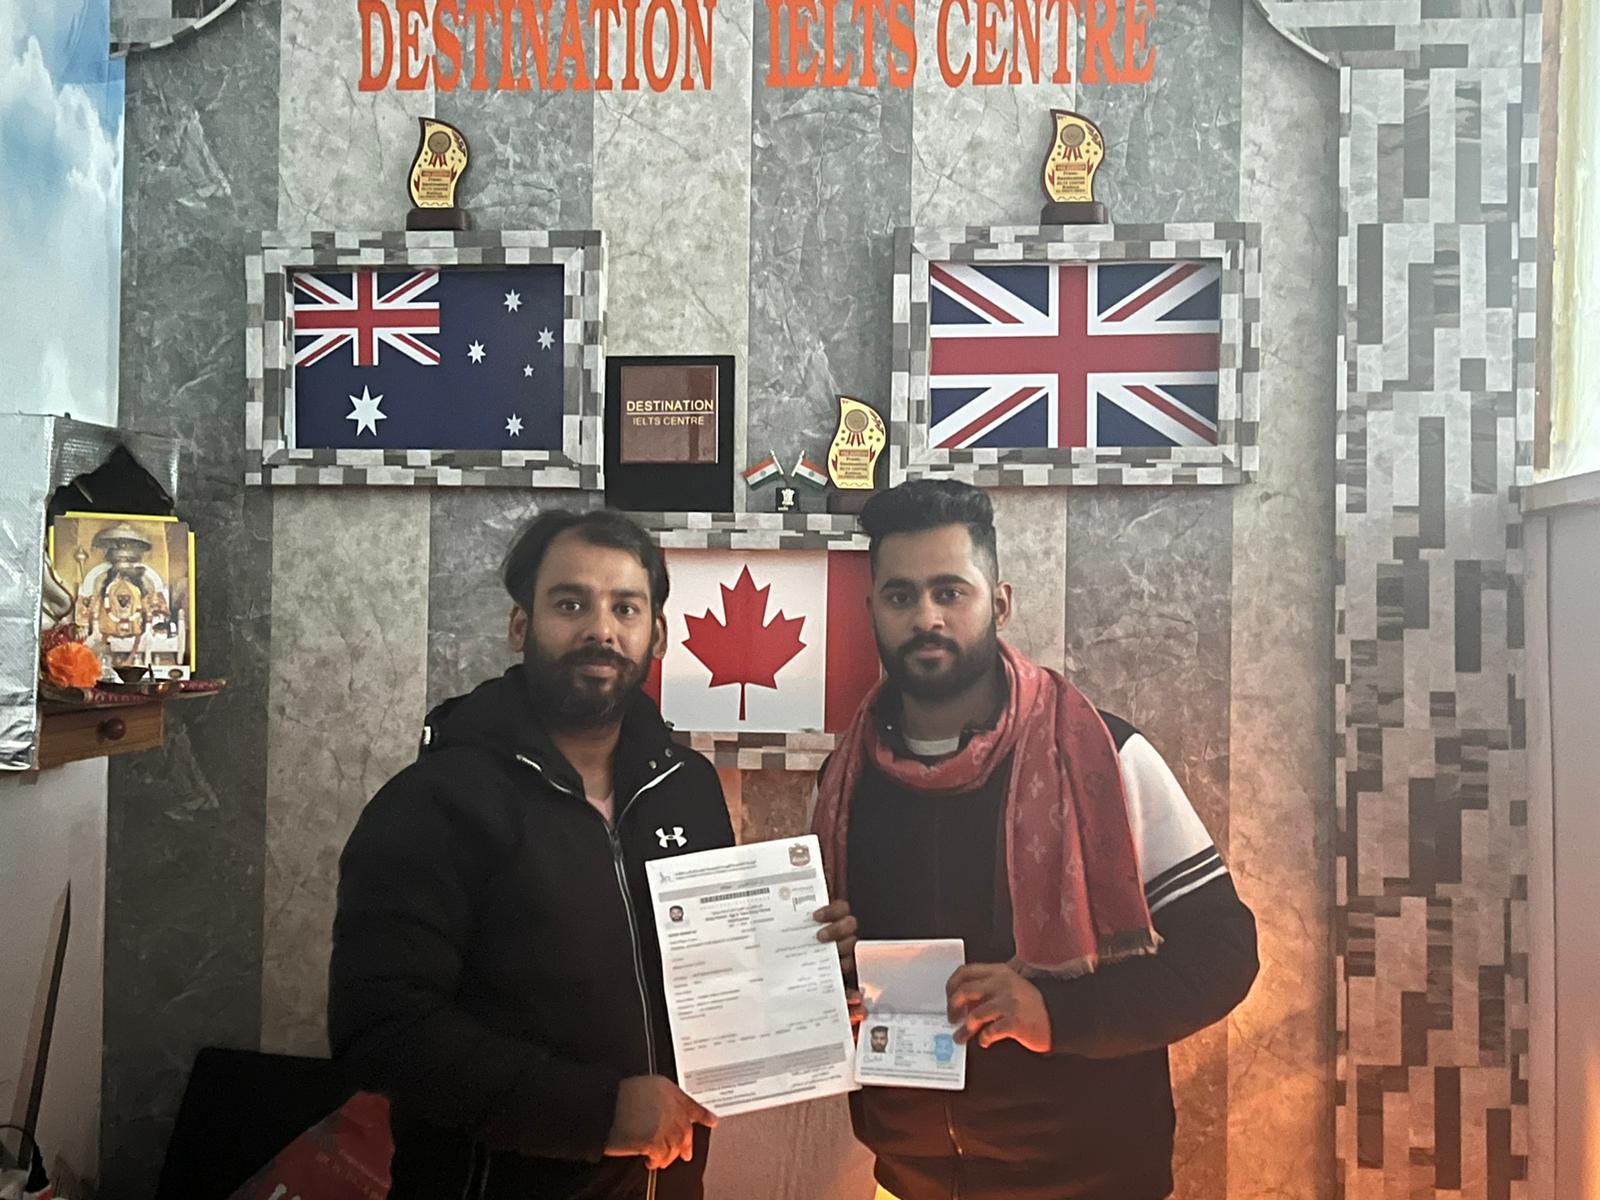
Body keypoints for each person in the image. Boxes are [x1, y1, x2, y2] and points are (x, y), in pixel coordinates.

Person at [811, 480, 1260, 1200]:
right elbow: (838, 984)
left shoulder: (1104, 758)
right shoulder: (845, 782)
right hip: (906, 1181)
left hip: (1096, 1183)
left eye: (950, 592)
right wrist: (825, 969)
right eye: (900, 596)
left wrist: (1053, 1015)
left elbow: (1223, 955)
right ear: (872, 613)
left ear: (1000, 603)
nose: (926, 617)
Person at [329, 509, 734, 1200]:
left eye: (625, 608)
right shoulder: (434, 800)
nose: (601, 629)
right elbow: (381, 1028)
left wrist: (808, 980)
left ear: (657, 635)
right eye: (571, 604)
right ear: (522, 626)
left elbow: (715, 968)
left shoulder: (688, 787)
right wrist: (598, 1114)